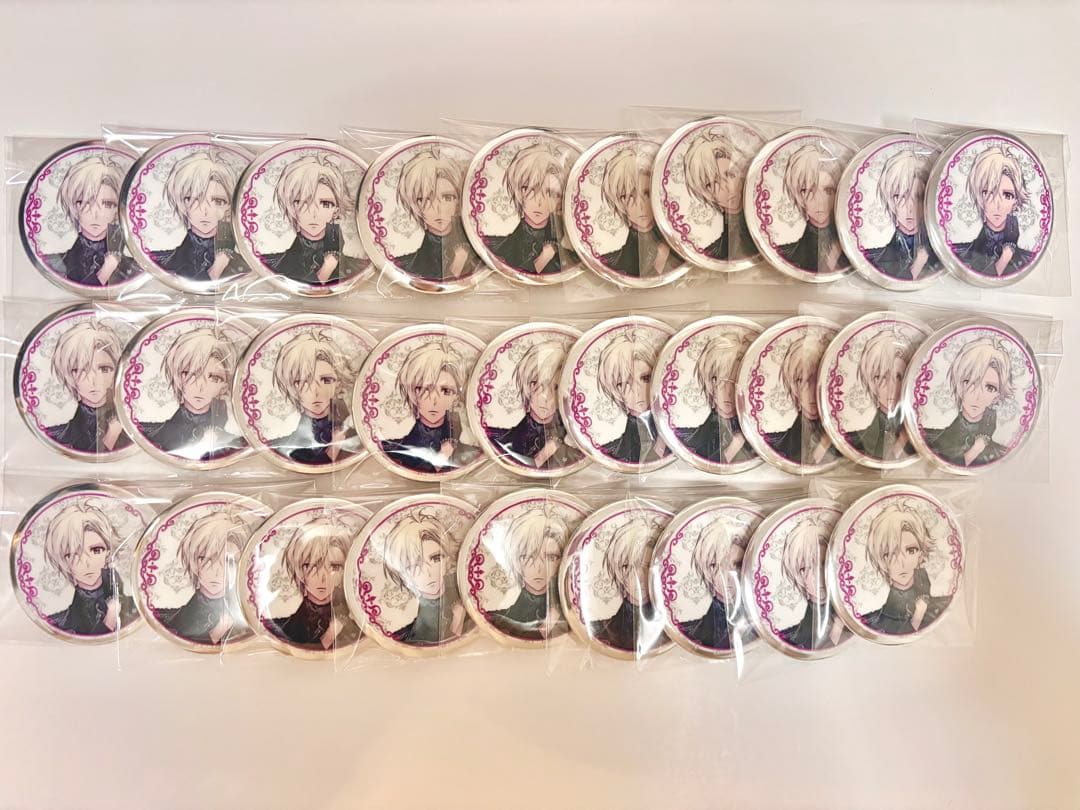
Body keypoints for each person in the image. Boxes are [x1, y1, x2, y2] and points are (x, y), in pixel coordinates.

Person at [139, 327, 245, 461]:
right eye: (190, 374)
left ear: (224, 387)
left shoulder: (235, 441)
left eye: (214, 378)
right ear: (178, 377)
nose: (200, 387)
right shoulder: (154, 436)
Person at [380, 341, 481, 474]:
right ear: (412, 392)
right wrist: (442, 456)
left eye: (446, 391)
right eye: (424, 389)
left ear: (456, 397)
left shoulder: (473, 454)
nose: (434, 401)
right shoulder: (391, 450)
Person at [43, 155, 141, 287]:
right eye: (86, 202)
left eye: (107, 204)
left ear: (116, 210)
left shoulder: (135, 269)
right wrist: (106, 270)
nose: (96, 214)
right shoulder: (53, 264)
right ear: (74, 206)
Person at [43, 500, 138, 635]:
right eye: (73, 554)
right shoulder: (57, 624)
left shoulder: (138, 609)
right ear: (63, 560)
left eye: (96, 550)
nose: (86, 563)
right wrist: (109, 621)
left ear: (108, 553)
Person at [264, 155, 361, 286]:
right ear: (291, 206)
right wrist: (328, 267)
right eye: (304, 203)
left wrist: (333, 257)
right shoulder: (269, 265)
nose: (314, 214)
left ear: (336, 210)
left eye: (325, 204)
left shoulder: (359, 268)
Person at [150, 151, 245, 282]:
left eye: (218, 201)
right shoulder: (158, 262)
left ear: (229, 206)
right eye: (195, 199)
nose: (205, 211)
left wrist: (224, 256)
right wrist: (217, 267)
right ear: (182, 203)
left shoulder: (247, 266)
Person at [271, 513, 362, 650]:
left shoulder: (356, 623)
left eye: (335, 567)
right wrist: (329, 636)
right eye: (312, 566)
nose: (322, 578)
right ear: (299, 569)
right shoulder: (281, 628)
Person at [157, 510, 248, 645]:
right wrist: (214, 635)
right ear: (193, 560)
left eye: (228, 562)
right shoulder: (182, 617)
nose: (216, 573)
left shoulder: (243, 612)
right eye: (206, 560)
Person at [860, 503, 952, 635]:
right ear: (882, 561)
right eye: (891, 553)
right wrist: (918, 614)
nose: (902, 563)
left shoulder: (945, 606)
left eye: (911, 550)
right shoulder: (870, 623)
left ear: (920, 556)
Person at [271, 330, 360, 466]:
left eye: (326, 380)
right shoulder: (285, 445)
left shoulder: (350, 426)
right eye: (303, 382)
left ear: (338, 384)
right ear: (291, 386)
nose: (315, 392)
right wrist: (335, 445)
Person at [486, 340, 578, 469]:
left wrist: (557, 443)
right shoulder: (508, 440)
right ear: (528, 386)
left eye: (556, 387)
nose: (546, 397)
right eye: (537, 385)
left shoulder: (574, 434)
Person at [393, 148, 482, 282]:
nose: (439, 209)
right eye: (426, 199)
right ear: (414, 204)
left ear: (459, 201)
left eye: (447, 198)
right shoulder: (404, 267)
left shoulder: (480, 252)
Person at [382, 511, 467, 645]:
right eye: (414, 565)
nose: (428, 573)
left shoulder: (461, 585)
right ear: (401, 574)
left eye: (436, 558)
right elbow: (438, 647)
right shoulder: (415, 621)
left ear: (448, 559)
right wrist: (457, 620)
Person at [925, 337, 1013, 467]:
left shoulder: (1002, 453)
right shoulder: (936, 443)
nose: (977, 396)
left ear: (997, 396)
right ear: (959, 384)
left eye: (990, 388)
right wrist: (978, 446)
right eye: (970, 382)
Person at [45, 319, 130, 454]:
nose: (94, 381)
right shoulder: (55, 437)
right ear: (68, 374)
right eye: (81, 370)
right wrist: (111, 435)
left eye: (104, 369)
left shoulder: (135, 432)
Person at [488, 143, 571, 276]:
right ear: (519, 191)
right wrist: (544, 257)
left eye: (550, 193)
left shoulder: (568, 250)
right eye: (529, 189)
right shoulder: (498, 249)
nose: (539, 203)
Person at [675, 333, 756, 464]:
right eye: (720, 381)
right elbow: (703, 464)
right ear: (710, 382)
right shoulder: (696, 438)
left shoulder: (753, 433)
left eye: (734, 383)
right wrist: (732, 449)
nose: (728, 392)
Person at [487, 510, 568, 641]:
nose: (539, 568)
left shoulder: (571, 613)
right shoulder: (497, 619)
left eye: (551, 557)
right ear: (515, 561)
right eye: (528, 557)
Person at [953, 146, 1034, 278]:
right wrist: (1007, 253)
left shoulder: (1029, 260)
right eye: (990, 193)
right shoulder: (958, 255)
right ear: (980, 197)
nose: (998, 204)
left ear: (1015, 201)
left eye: (1007, 195)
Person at [598, 147, 677, 278]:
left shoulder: (675, 242)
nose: (641, 206)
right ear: (618, 200)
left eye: (647, 193)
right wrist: (659, 261)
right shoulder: (613, 263)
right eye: (629, 196)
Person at [676, 520, 755, 651]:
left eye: (737, 565)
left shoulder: (761, 625)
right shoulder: (690, 632)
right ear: (706, 569)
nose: (728, 576)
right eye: (715, 565)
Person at [764, 333, 838, 466]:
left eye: (816, 379)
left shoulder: (850, 439)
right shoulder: (776, 445)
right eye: (800, 380)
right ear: (793, 385)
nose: (810, 391)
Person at [588, 518, 660, 653]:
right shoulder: (598, 631)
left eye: (648, 566)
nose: (639, 577)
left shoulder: (673, 628)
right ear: (617, 569)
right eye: (627, 566)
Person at [866, 149, 940, 281]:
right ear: (890, 200)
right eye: (900, 197)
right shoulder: (878, 260)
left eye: (919, 197)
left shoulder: (939, 250)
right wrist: (918, 264)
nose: (910, 209)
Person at [682, 132, 756, 261]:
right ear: (705, 193)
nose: (726, 188)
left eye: (731, 174)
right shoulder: (712, 254)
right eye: (712, 184)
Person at [777, 513, 845, 651]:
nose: (817, 576)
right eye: (804, 569)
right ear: (797, 574)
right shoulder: (791, 638)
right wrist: (837, 629)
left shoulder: (855, 616)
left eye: (823, 563)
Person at [777, 144, 849, 274]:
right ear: (798, 195)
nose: (819, 201)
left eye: (828, 190)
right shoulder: (784, 255)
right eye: (808, 191)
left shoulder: (854, 253)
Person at [596, 332, 668, 464]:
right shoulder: (610, 454)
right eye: (623, 384)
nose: (637, 391)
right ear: (614, 389)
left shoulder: (680, 437)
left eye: (646, 378)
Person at [843, 330, 913, 462]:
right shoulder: (855, 440)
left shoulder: (922, 432)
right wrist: (902, 440)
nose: (892, 387)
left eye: (898, 377)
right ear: (871, 381)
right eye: (881, 377)